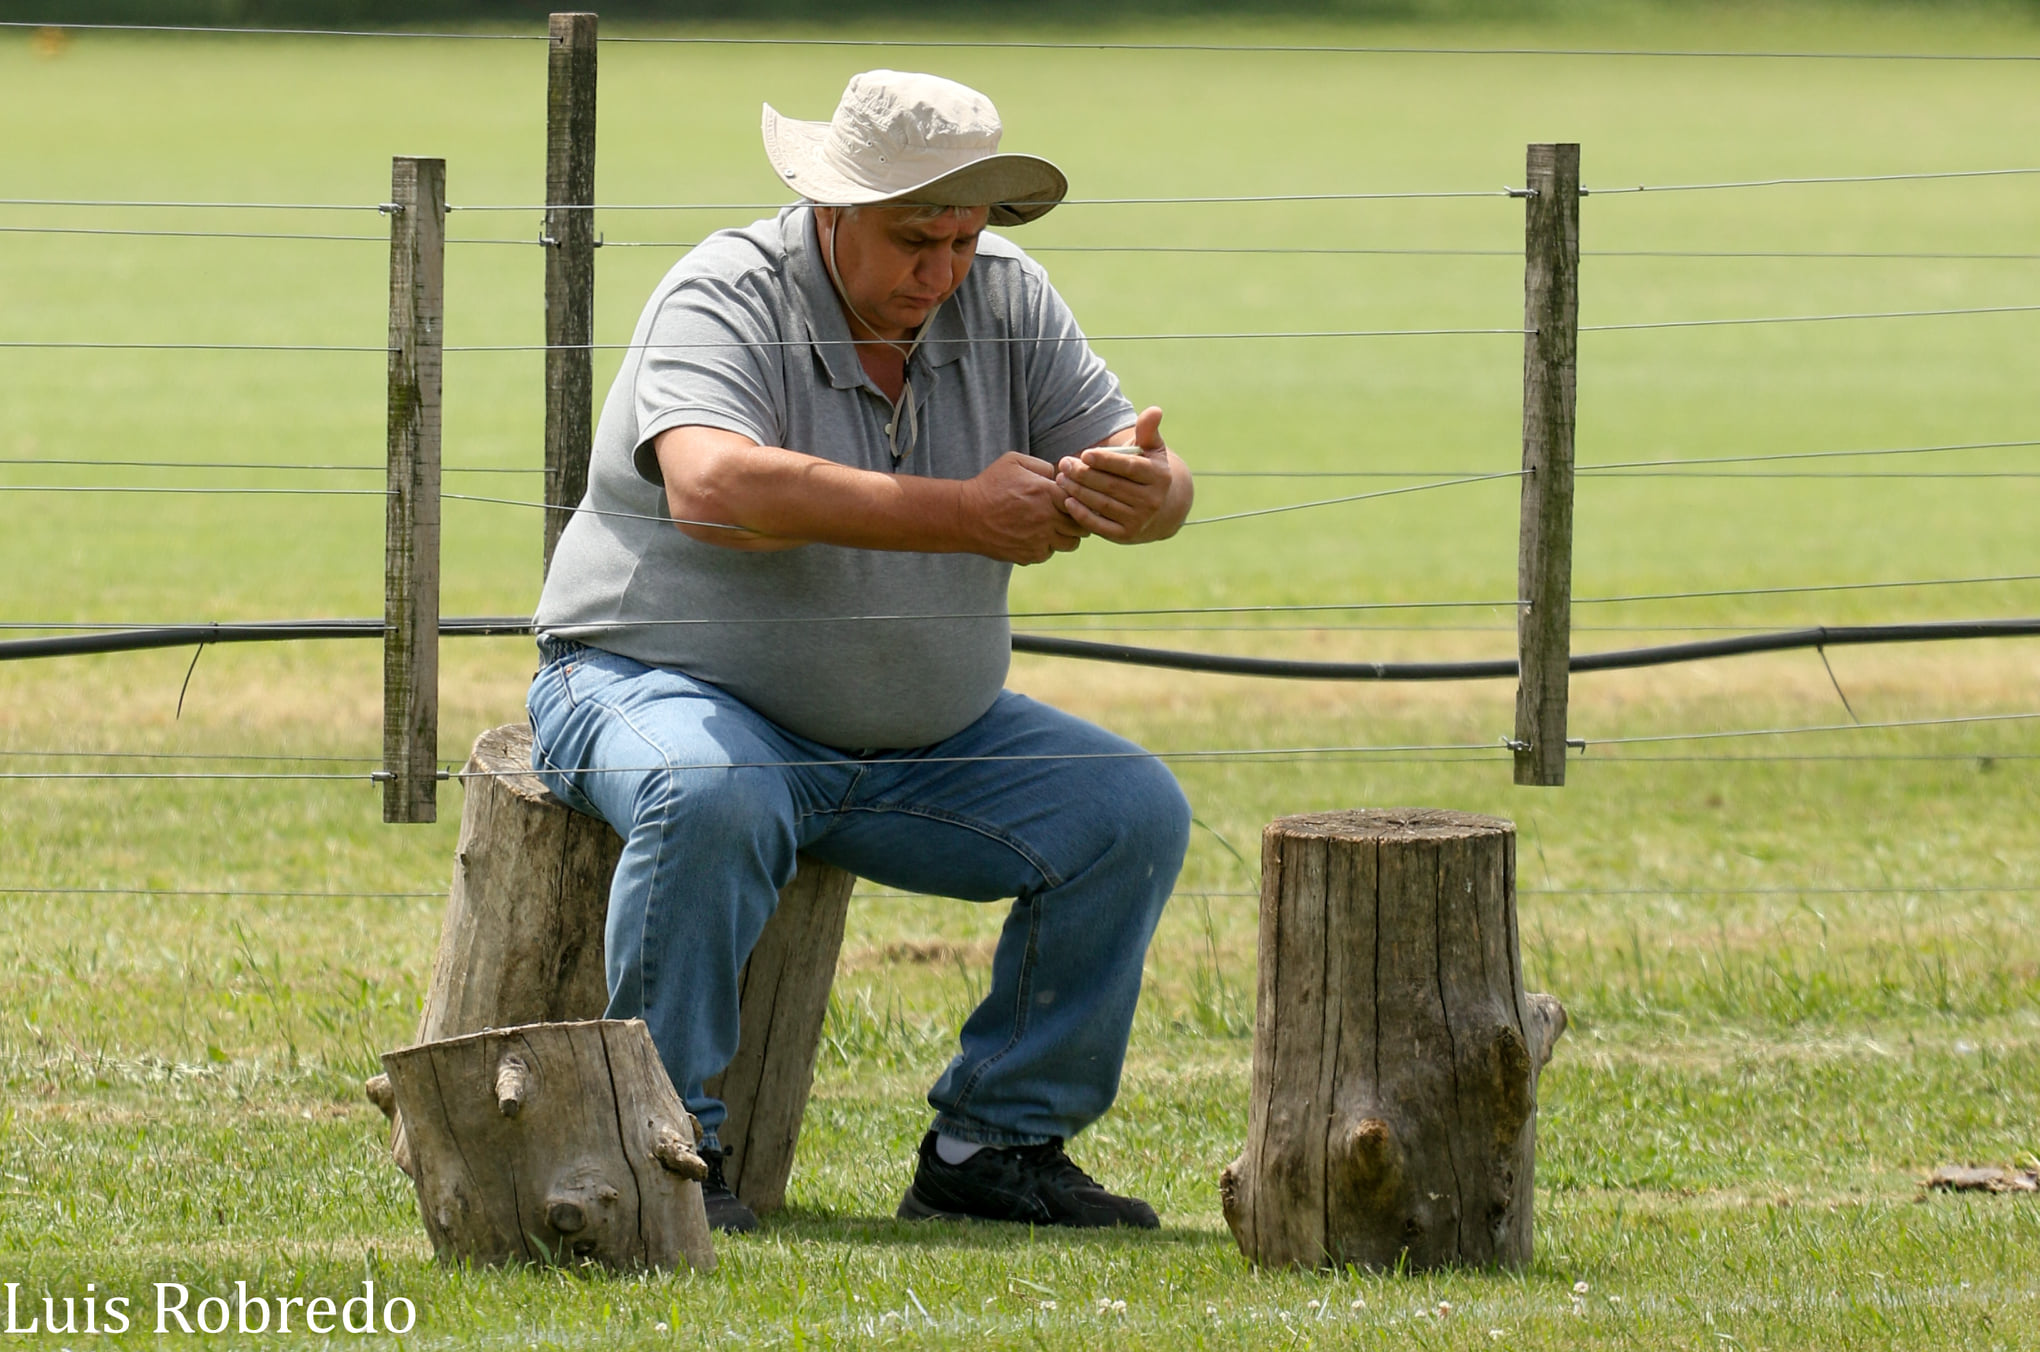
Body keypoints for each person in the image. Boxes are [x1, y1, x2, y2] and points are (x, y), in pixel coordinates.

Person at [528, 69, 1194, 1235]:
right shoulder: (724, 290)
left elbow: (1136, 454)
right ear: (831, 208)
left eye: (965, 237)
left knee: (1129, 810)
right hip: (647, 684)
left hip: (919, 743)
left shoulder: (1007, 297)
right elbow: (710, 487)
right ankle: (667, 1155)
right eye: (913, 238)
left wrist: (1150, 491)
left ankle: (994, 1145)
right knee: (712, 785)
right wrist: (960, 512)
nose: (941, 269)